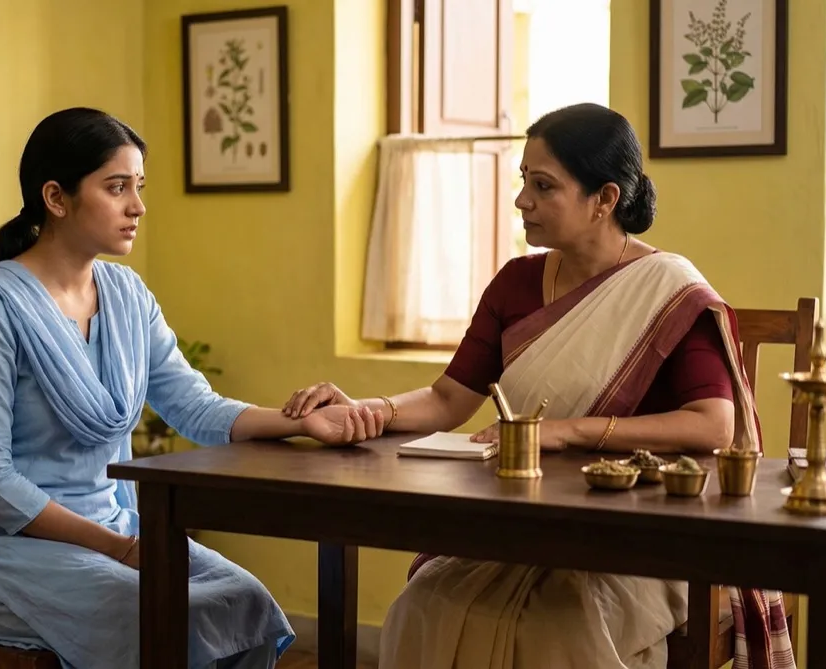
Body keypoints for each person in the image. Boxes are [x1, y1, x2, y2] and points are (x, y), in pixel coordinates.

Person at [281, 103, 795, 669]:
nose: (522, 200)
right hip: (523, 526)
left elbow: (714, 425)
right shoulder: (515, 283)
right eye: (524, 180)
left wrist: (568, 431)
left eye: (543, 185)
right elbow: (448, 399)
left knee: (556, 626)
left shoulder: (669, 292)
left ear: (604, 199)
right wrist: (367, 410)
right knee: (422, 605)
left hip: (645, 541)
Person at [0, 107, 385, 669]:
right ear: (56, 198)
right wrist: (122, 550)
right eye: (117, 187)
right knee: (163, 614)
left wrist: (300, 421)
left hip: (110, 528)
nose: (138, 206)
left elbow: (195, 407)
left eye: (138, 187)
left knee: (244, 602)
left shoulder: (127, 296)